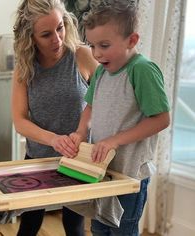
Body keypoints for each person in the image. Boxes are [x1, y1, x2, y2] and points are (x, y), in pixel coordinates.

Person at [68, 0, 170, 235]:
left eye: (104, 45)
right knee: (99, 228)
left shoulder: (142, 70)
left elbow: (161, 119)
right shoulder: (102, 70)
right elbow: (90, 107)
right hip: (102, 171)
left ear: (131, 40)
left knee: (122, 230)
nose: (96, 53)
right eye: (92, 45)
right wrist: (80, 132)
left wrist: (114, 140)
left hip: (129, 175)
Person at [12, 0, 98, 235]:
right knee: (29, 225)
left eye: (60, 27)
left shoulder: (83, 55)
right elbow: (19, 120)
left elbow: (102, 102)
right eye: (46, 34)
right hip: (38, 158)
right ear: (30, 37)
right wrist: (53, 140)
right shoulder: (24, 67)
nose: (57, 39)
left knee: (74, 225)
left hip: (78, 158)